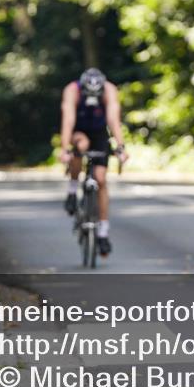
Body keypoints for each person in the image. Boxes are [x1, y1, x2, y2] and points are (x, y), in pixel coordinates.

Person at [59, 68, 128, 256]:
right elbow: (68, 119)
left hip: (99, 132)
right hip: (79, 130)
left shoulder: (109, 89)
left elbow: (113, 119)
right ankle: (73, 190)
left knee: (101, 179)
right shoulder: (72, 90)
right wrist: (65, 149)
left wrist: (120, 147)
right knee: (81, 145)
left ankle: (103, 232)